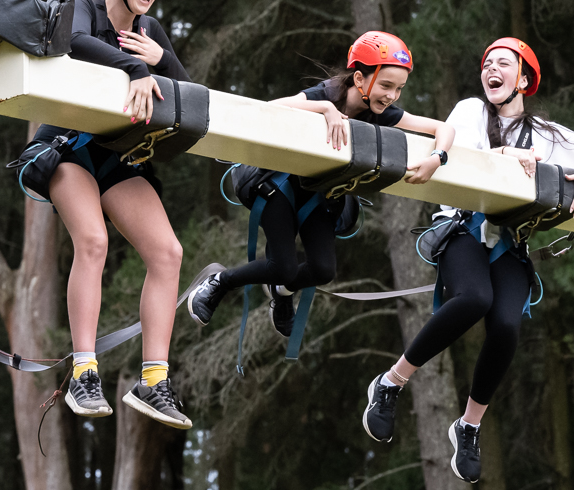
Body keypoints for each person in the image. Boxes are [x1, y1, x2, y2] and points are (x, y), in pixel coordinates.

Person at [360, 37, 574, 483]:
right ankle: (391, 382)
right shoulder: (470, 112)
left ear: (523, 79)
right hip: (463, 226)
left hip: (509, 241)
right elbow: (461, 157)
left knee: (506, 325)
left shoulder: (548, 135)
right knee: (475, 298)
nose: (491, 70)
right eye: (487, 64)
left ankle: (469, 426)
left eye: (503, 63)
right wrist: (506, 155)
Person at [182, 31, 455, 336]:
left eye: (399, 89)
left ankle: (283, 292)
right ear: (360, 78)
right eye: (386, 85)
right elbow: (272, 107)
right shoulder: (327, 93)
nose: (392, 96)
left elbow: (442, 128)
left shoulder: (382, 113)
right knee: (282, 267)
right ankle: (219, 282)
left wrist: (437, 157)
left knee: (323, 270)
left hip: (321, 196)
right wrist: (325, 109)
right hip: (280, 187)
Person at [27, 0, 192, 429]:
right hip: (68, 147)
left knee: (168, 253)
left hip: (118, 156)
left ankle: (154, 381)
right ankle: (83, 371)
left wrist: (160, 61)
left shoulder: (151, 32)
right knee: (93, 241)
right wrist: (134, 70)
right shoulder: (85, 8)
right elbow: (75, 42)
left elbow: (186, 92)